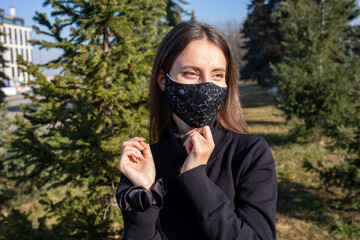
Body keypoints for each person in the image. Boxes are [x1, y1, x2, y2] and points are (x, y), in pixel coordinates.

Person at [116, 22, 277, 240]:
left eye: (217, 75)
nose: (206, 85)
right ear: (164, 81)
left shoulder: (249, 154)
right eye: (191, 73)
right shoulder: (143, 163)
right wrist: (145, 195)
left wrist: (196, 179)